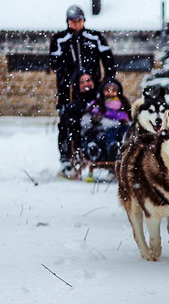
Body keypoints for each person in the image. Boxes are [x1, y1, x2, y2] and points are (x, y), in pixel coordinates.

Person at [50, 5, 115, 176]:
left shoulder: (95, 37)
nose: (76, 24)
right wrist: (71, 77)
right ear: (68, 22)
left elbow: (109, 61)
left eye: (79, 20)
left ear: (84, 20)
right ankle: (67, 158)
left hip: (93, 90)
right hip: (68, 92)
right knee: (67, 124)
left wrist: (106, 82)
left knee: (99, 121)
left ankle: (102, 156)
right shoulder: (59, 39)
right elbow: (54, 64)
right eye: (73, 21)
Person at [81, 78, 131, 162]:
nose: (110, 93)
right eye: (107, 90)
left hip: (119, 134)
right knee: (108, 132)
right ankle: (105, 148)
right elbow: (85, 122)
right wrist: (93, 120)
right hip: (100, 133)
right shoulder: (96, 105)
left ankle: (116, 149)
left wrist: (124, 122)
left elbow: (129, 120)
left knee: (123, 133)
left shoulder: (124, 105)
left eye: (114, 90)